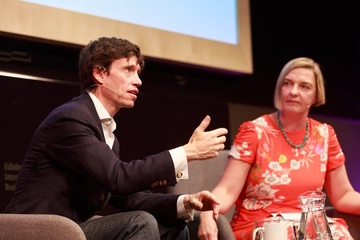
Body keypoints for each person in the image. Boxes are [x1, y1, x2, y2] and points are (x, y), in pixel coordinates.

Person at [4, 37, 229, 240]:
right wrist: (187, 152)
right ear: (99, 73)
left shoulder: (105, 133)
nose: (138, 81)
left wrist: (184, 202)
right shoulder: (71, 118)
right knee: (140, 222)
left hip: (70, 229)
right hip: (38, 231)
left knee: (175, 224)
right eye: (128, 70)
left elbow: (127, 197)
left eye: (138, 72)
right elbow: (118, 178)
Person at [198, 57, 360, 240]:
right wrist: (207, 210)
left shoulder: (325, 135)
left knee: (337, 234)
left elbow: (344, 195)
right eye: (288, 84)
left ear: (316, 96)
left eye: (304, 86)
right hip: (259, 228)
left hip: (306, 227)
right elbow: (226, 190)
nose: (294, 92)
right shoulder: (254, 132)